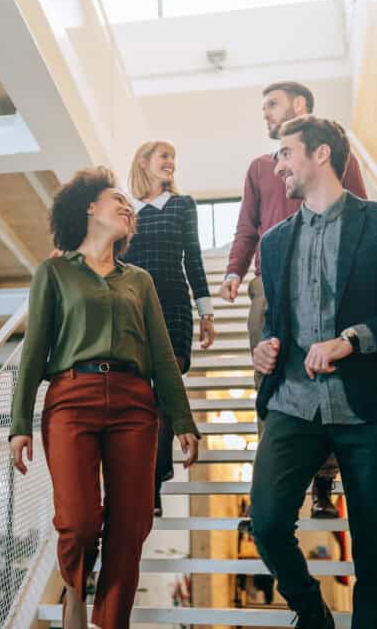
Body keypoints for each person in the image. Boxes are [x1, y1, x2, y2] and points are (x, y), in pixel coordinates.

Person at [249, 116, 377, 628]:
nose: (278, 166)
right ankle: (313, 614)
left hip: (372, 406)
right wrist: (264, 350)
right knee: (269, 523)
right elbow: (277, 325)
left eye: (285, 154)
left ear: (320, 155)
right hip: (293, 402)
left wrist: (353, 340)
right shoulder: (272, 243)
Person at [9, 167, 201, 629]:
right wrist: (18, 424)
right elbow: (34, 351)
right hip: (71, 399)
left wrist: (184, 419)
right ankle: (75, 591)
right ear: (89, 207)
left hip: (136, 405)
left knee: (131, 525)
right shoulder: (54, 272)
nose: (127, 208)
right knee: (78, 521)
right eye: (117, 199)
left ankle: (111, 621)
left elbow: (161, 354)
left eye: (129, 206)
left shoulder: (139, 280)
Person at [219, 81, 368, 519]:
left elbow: (360, 210)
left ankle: (323, 485)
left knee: (326, 378)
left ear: (299, 106)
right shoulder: (258, 168)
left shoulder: (336, 157)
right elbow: (247, 225)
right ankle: (268, 488)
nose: (265, 113)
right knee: (270, 382)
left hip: (330, 283)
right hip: (270, 286)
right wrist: (234, 269)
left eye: (273, 104)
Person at [123, 140, 215, 517]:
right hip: (132, 310)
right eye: (164, 157)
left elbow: (193, 258)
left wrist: (206, 312)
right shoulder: (125, 209)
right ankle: (141, 478)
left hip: (174, 306)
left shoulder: (182, 205)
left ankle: (153, 483)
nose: (171, 163)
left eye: (174, 158)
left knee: (163, 397)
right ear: (143, 162)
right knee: (140, 398)